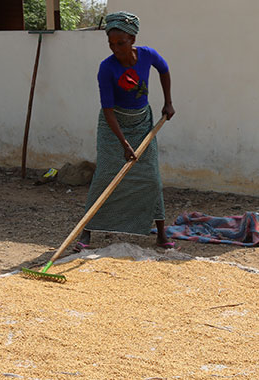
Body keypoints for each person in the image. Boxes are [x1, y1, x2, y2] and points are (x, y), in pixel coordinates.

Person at [75, 11, 175, 252]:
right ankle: (86, 233)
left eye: (121, 43)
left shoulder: (147, 55)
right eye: (111, 44)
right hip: (113, 127)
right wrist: (124, 144)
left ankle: (161, 234)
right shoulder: (106, 68)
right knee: (106, 176)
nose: (116, 49)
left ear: (132, 39)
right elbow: (108, 109)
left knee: (150, 176)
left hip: (143, 124)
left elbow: (164, 70)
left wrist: (168, 102)